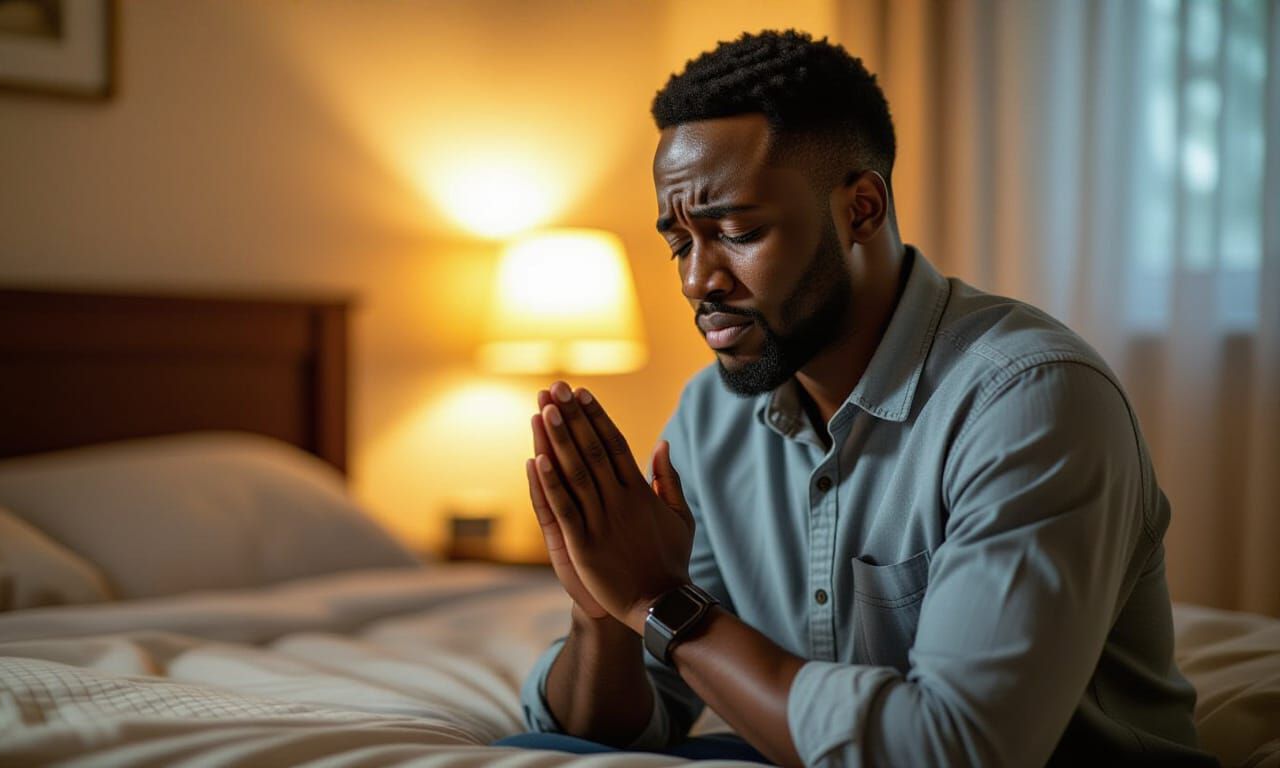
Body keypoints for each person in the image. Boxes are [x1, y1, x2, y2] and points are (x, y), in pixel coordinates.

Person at [495, 30, 1213, 767]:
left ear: (861, 209)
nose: (695, 281)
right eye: (679, 243)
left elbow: (956, 750)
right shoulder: (711, 418)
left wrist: (659, 601)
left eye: (737, 231)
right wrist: (604, 609)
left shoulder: (1030, 400)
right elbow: (630, 718)